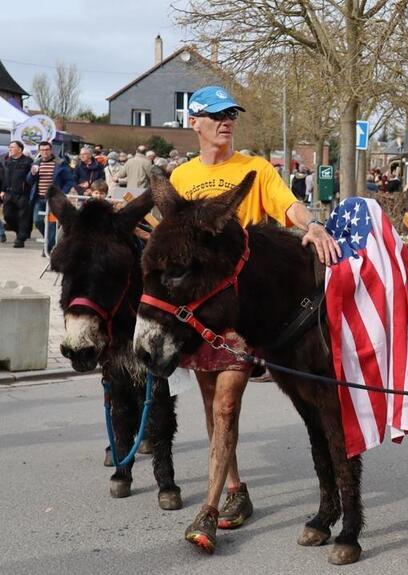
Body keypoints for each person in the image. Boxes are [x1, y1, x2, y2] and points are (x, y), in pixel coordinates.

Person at [169, 85, 341, 555]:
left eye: (231, 115)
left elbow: (287, 204)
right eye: (217, 114)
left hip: (244, 310)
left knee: (226, 404)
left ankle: (207, 509)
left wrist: (311, 224)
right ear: (195, 123)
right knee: (211, 405)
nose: (227, 121)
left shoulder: (256, 168)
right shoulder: (181, 178)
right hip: (201, 309)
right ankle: (234, 488)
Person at [27, 141, 74, 253]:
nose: (44, 152)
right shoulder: (36, 163)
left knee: (52, 224)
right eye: (42, 150)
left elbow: (69, 181)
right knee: (37, 221)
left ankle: (47, 248)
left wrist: (61, 194)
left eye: (47, 149)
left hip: (54, 200)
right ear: (39, 151)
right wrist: (32, 174)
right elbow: (29, 181)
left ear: (51, 150)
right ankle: (50, 240)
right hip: (39, 198)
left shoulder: (60, 163)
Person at [1, 141, 34, 247]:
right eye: (9, 147)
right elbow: (4, 177)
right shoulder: (7, 160)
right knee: (7, 215)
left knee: (23, 216)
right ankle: (20, 231)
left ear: (19, 149)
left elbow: (31, 178)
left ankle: (20, 239)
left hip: (23, 194)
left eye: (12, 147)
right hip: (8, 193)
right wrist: (2, 190)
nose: (9, 149)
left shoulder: (28, 161)